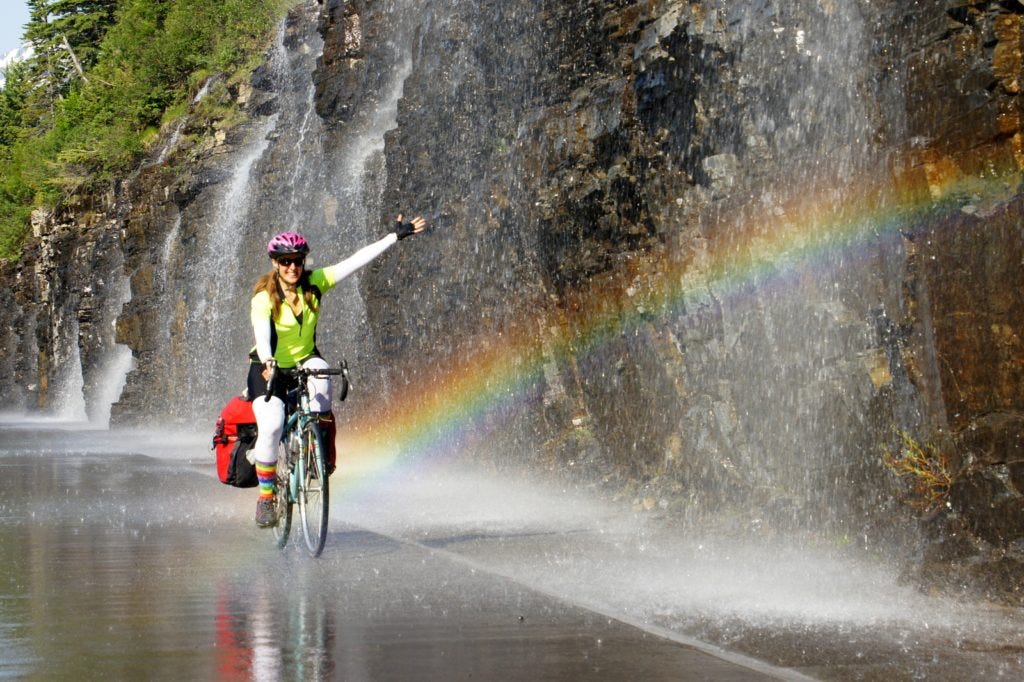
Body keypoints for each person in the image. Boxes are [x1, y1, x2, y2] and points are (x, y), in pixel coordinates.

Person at [248, 215, 426, 527]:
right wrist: (268, 361)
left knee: (324, 381)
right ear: (275, 263)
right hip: (268, 368)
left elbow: (354, 262)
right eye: (286, 261)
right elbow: (262, 337)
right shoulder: (264, 298)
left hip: (305, 360)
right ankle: (265, 497)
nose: (293, 267)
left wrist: (394, 237)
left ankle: (319, 454)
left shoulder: (315, 284)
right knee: (273, 425)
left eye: (298, 261)